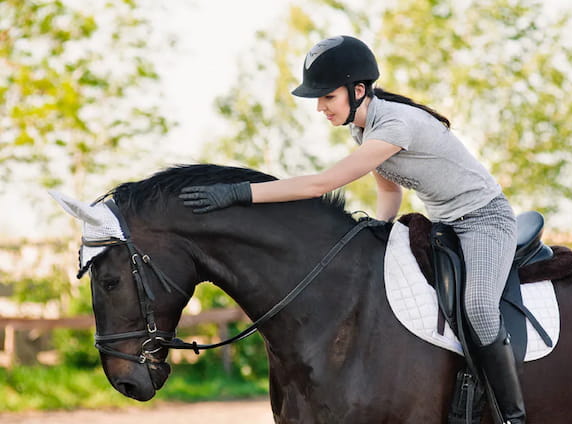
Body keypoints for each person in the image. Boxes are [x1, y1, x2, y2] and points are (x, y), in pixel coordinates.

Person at [179, 35, 525, 423]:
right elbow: (389, 191)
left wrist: (240, 193)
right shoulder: (364, 128)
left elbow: (319, 185)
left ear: (357, 90)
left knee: (477, 307)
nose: (320, 108)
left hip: (484, 220)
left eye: (327, 97)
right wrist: (379, 228)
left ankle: (509, 414)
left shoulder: (394, 124)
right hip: (445, 224)